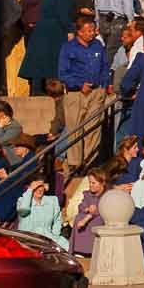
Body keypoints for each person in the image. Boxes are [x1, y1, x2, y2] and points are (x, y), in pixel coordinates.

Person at [57, 15, 112, 172]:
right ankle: (75, 164)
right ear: (79, 32)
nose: (92, 33)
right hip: (76, 94)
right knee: (74, 129)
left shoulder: (97, 46)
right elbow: (63, 73)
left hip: (96, 92)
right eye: (88, 31)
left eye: (93, 30)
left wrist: (104, 84)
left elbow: (104, 66)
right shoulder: (68, 48)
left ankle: (89, 163)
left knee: (93, 128)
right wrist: (79, 85)